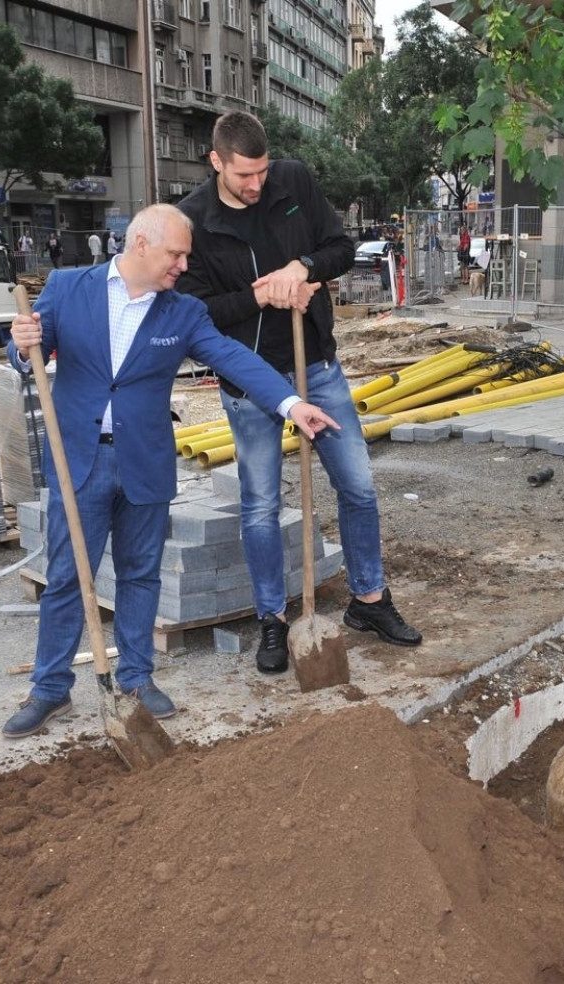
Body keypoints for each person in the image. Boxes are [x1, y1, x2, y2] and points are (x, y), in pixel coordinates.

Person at [1, 203, 339, 738]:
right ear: (140, 244)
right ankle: (49, 689)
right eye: (175, 253)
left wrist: (290, 404)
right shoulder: (68, 287)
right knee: (67, 576)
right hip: (80, 460)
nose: (183, 264)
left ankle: (136, 679)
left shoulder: (182, 312)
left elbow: (233, 358)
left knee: (140, 573)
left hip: (145, 462)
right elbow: (28, 352)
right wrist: (22, 348)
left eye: (186, 255)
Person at [175, 110, 422, 676]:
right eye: (244, 176)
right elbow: (197, 313)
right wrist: (260, 297)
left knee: (357, 484)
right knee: (260, 504)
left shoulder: (295, 182)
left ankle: (369, 601)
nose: (257, 185)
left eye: (262, 172)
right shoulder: (194, 220)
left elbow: (340, 246)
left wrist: (302, 265)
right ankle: (272, 618)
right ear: (216, 162)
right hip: (248, 379)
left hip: (317, 366)